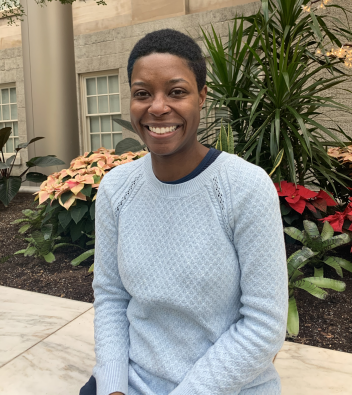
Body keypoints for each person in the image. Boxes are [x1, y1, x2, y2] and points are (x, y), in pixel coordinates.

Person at [80, 29, 288, 395]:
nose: (157, 107)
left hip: (226, 386)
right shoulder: (116, 188)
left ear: (202, 96)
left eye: (177, 92)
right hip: (134, 381)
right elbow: (112, 296)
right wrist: (113, 386)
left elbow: (265, 324)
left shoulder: (245, 187)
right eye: (142, 93)